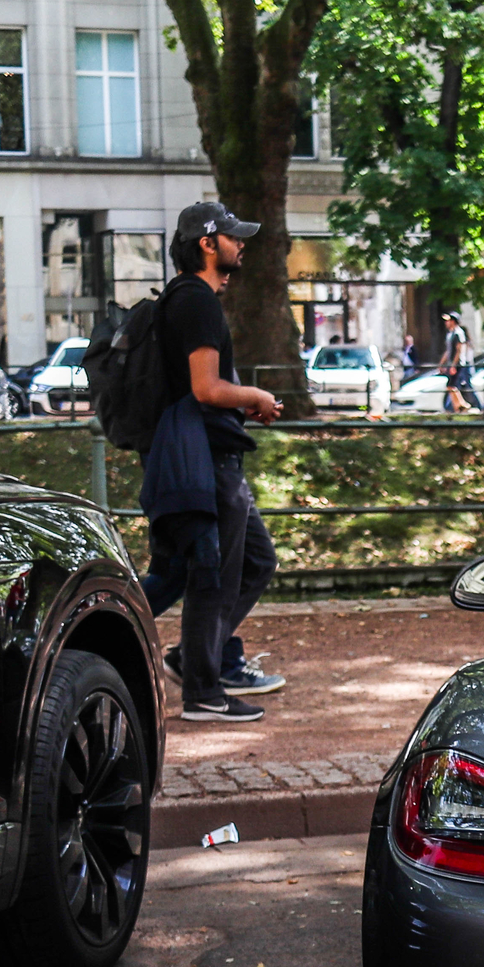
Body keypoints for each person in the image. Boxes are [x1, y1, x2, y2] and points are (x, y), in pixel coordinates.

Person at [151, 200, 287, 723]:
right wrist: (253, 393)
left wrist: (246, 403)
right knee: (214, 574)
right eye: (232, 237)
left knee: (249, 562)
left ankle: (196, 661)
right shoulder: (196, 300)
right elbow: (207, 389)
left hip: (205, 456)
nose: (241, 245)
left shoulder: (184, 299)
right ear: (207, 244)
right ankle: (204, 689)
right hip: (206, 462)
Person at [440, 312, 477, 413]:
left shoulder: (458, 333)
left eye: (448, 321)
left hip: (458, 364)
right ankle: (459, 405)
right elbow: (448, 351)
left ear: (453, 321)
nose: (446, 323)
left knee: (452, 386)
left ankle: (462, 405)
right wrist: (442, 363)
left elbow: (459, 350)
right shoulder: (450, 334)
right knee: (451, 386)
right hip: (452, 364)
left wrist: (453, 365)